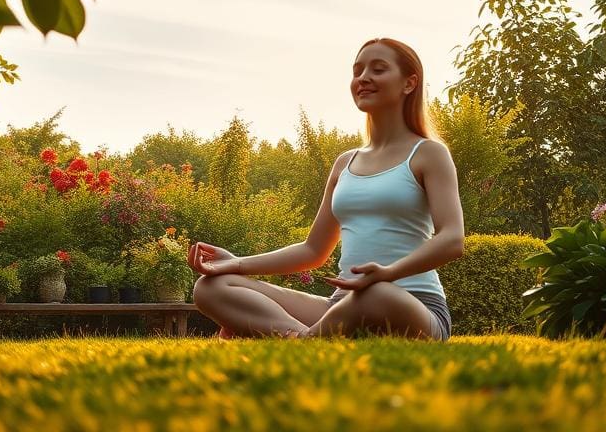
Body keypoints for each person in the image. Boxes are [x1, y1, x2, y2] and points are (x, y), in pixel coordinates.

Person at [188, 37, 464, 340]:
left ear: (409, 83)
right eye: (357, 71)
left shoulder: (428, 153)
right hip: (341, 306)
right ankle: (303, 339)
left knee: (377, 294)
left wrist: (388, 273)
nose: (363, 78)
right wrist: (237, 263)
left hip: (410, 304)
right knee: (211, 287)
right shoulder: (345, 162)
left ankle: (297, 338)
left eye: (378, 69)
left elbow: (452, 239)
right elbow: (313, 250)